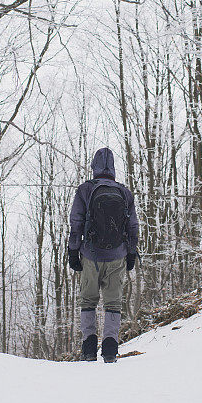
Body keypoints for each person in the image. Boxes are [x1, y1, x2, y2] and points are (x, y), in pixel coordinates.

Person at [68, 147, 139, 363]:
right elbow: (133, 226)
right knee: (113, 303)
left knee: (88, 300)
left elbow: (76, 223)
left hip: (91, 255)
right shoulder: (125, 192)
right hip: (117, 255)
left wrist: (73, 251)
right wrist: (131, 253)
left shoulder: (85, 190)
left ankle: (89, 348)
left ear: (94, 166)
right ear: (113, 168)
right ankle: (110, 350)